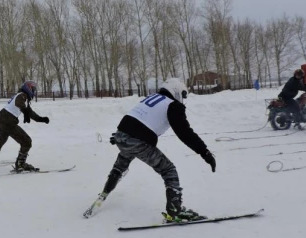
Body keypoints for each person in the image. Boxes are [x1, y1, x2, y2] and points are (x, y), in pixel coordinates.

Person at [85, 78, 216, 222]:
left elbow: (136, 117)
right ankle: (175, 212)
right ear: (177, 90)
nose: (183, 99)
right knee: (169, 170)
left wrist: (119, 136)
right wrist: (205, 152)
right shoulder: (173, 105)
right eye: (183, 94)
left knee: (120, 165)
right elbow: (185, 133)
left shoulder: (153, 98)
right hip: (138, 141)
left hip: (121, 135)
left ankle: (103, 194)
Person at [0, 80, 50, 172]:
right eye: (33, 89)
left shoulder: (24, 98)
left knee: (3, 138)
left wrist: (41, 119)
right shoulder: (22, 95)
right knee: (26, 141)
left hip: (2, 118)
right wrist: (25, 112)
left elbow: (30, 113)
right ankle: (20, 164)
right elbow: (19, 104)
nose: (34, 91)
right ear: (28, 88)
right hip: (8, 120)